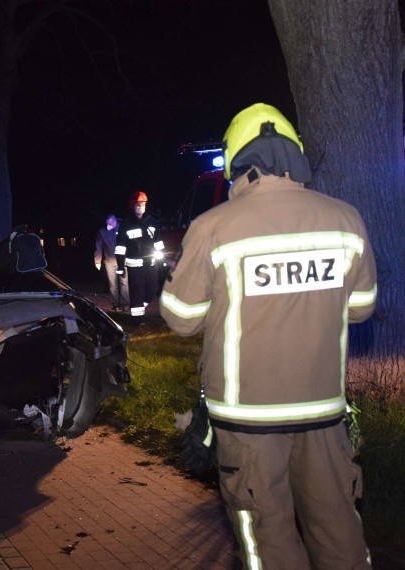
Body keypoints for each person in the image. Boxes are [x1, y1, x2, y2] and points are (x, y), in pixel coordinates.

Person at [160, 103, 377, 569]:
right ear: (295, 155)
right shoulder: (346, 219)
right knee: (339, 529)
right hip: (324, 411)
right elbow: (361, 310)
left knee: (267, 539)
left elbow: (180, 317)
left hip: (247, 418)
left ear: (237, 161)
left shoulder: (213, 228)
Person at [115, 191, 165, 323]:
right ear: (133, 206)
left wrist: (162, 260)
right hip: (134, 265)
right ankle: (137, 321)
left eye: (143, 204)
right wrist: (120, 265)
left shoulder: (153, 222)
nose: (140, 207)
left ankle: (138, 308)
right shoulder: (126, 224)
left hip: (151, 263)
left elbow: (159, 242)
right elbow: (120, 246)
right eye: (138, 205)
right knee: (137, 292)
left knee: (153, 288)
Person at [93, 213, 129, 311]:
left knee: (124, 283)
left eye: (110, 224)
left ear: (115, 221)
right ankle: (116, 305)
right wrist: (97, 261)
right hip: (109, 261)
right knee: (113, 285)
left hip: (123, 261)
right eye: (107, 223)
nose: (108, 226)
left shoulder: (123, 228)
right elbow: (99, 246)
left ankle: (125, 304)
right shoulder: (102, 231)